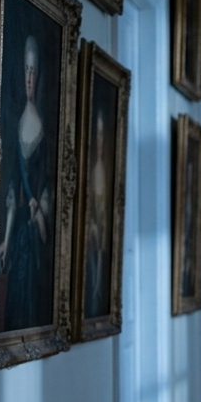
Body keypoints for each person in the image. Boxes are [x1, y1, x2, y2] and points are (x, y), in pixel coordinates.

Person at [0, 34, 52, 332]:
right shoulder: (19, 125)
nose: (30, 78)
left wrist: (40, 210)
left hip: (34, 232)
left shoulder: (43, 127)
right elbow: (12, 188)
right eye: (26, 71)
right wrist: (4, 239)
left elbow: (46, 187)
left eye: (34, 72)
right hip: (19, 234)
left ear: (39, 76)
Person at [85, 108, 109, 317]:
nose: (99, 140)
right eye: (97, 134)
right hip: (91, 240)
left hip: (101, 241)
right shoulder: (91, 171)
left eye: (102, 134)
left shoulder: (105, 171)